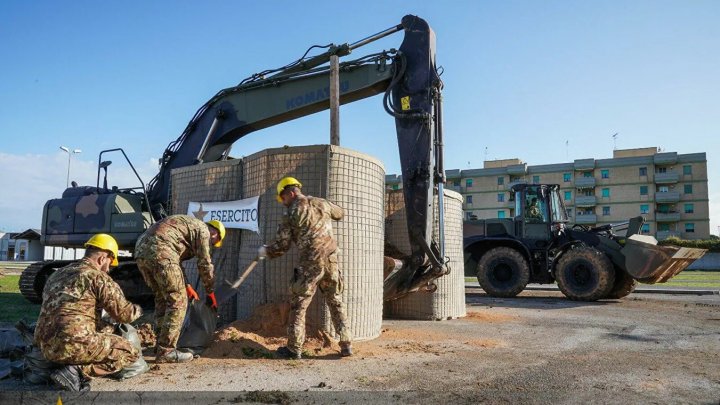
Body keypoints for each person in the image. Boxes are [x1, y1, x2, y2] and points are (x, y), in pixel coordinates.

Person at [35, 234, 145, 391]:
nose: (108, 269)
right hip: (71, 345)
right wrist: (139, 310)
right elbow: (124, 315)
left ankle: (56, 366)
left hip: (44, 346)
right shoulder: (98, 277)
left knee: (104, 329)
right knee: (130, 352)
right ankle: (76, 371)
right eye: (109, 264)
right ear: (102, 258)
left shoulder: (56, 275)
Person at [258, 177, 353, 359]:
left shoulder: (291, 213)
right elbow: (340, 213)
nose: (283, 203)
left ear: (291, 193)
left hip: (310, 264)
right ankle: (346, 344)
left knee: (299, 305)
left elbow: (281, 246)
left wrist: (266, 251)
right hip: (331, 260)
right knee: (335, 301)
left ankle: (294, 349)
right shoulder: (321, 203)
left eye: (283, 198)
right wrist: (324, 209)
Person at [134, 215, 225, 363]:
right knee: (177, 301)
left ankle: (160, 344)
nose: (212, 245)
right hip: (161, 251)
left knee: (162, 299)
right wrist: (210, 292)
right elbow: (205, 265)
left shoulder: (187, 226)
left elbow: (175, 262)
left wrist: (188, 286)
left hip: (141, 252)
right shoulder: (204, 231)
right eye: (214, 243)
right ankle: (167, 351)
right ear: (215, 233)